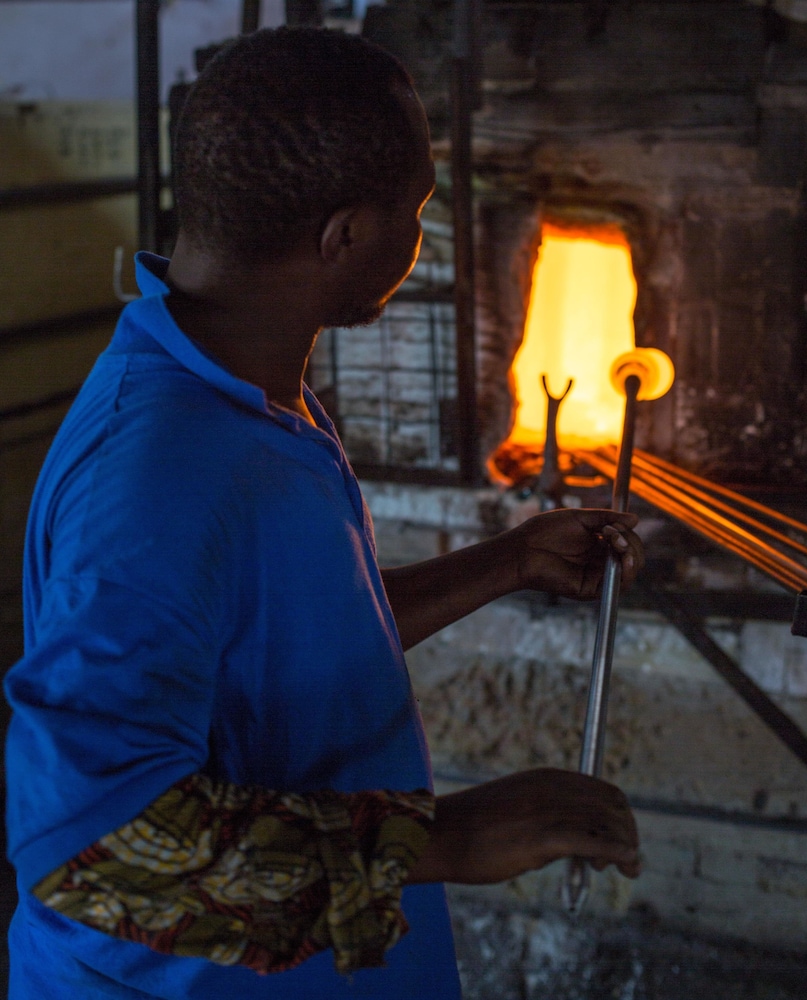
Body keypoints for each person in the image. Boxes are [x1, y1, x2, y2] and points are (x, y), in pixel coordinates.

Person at [4, 26, 643, 1000]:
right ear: (343, 236)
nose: (417, 237)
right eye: (414, 211)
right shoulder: (154, 476)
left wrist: (506, 562)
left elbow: (280, 647)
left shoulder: (246, 390)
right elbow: (93, 851)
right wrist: (449, 837)